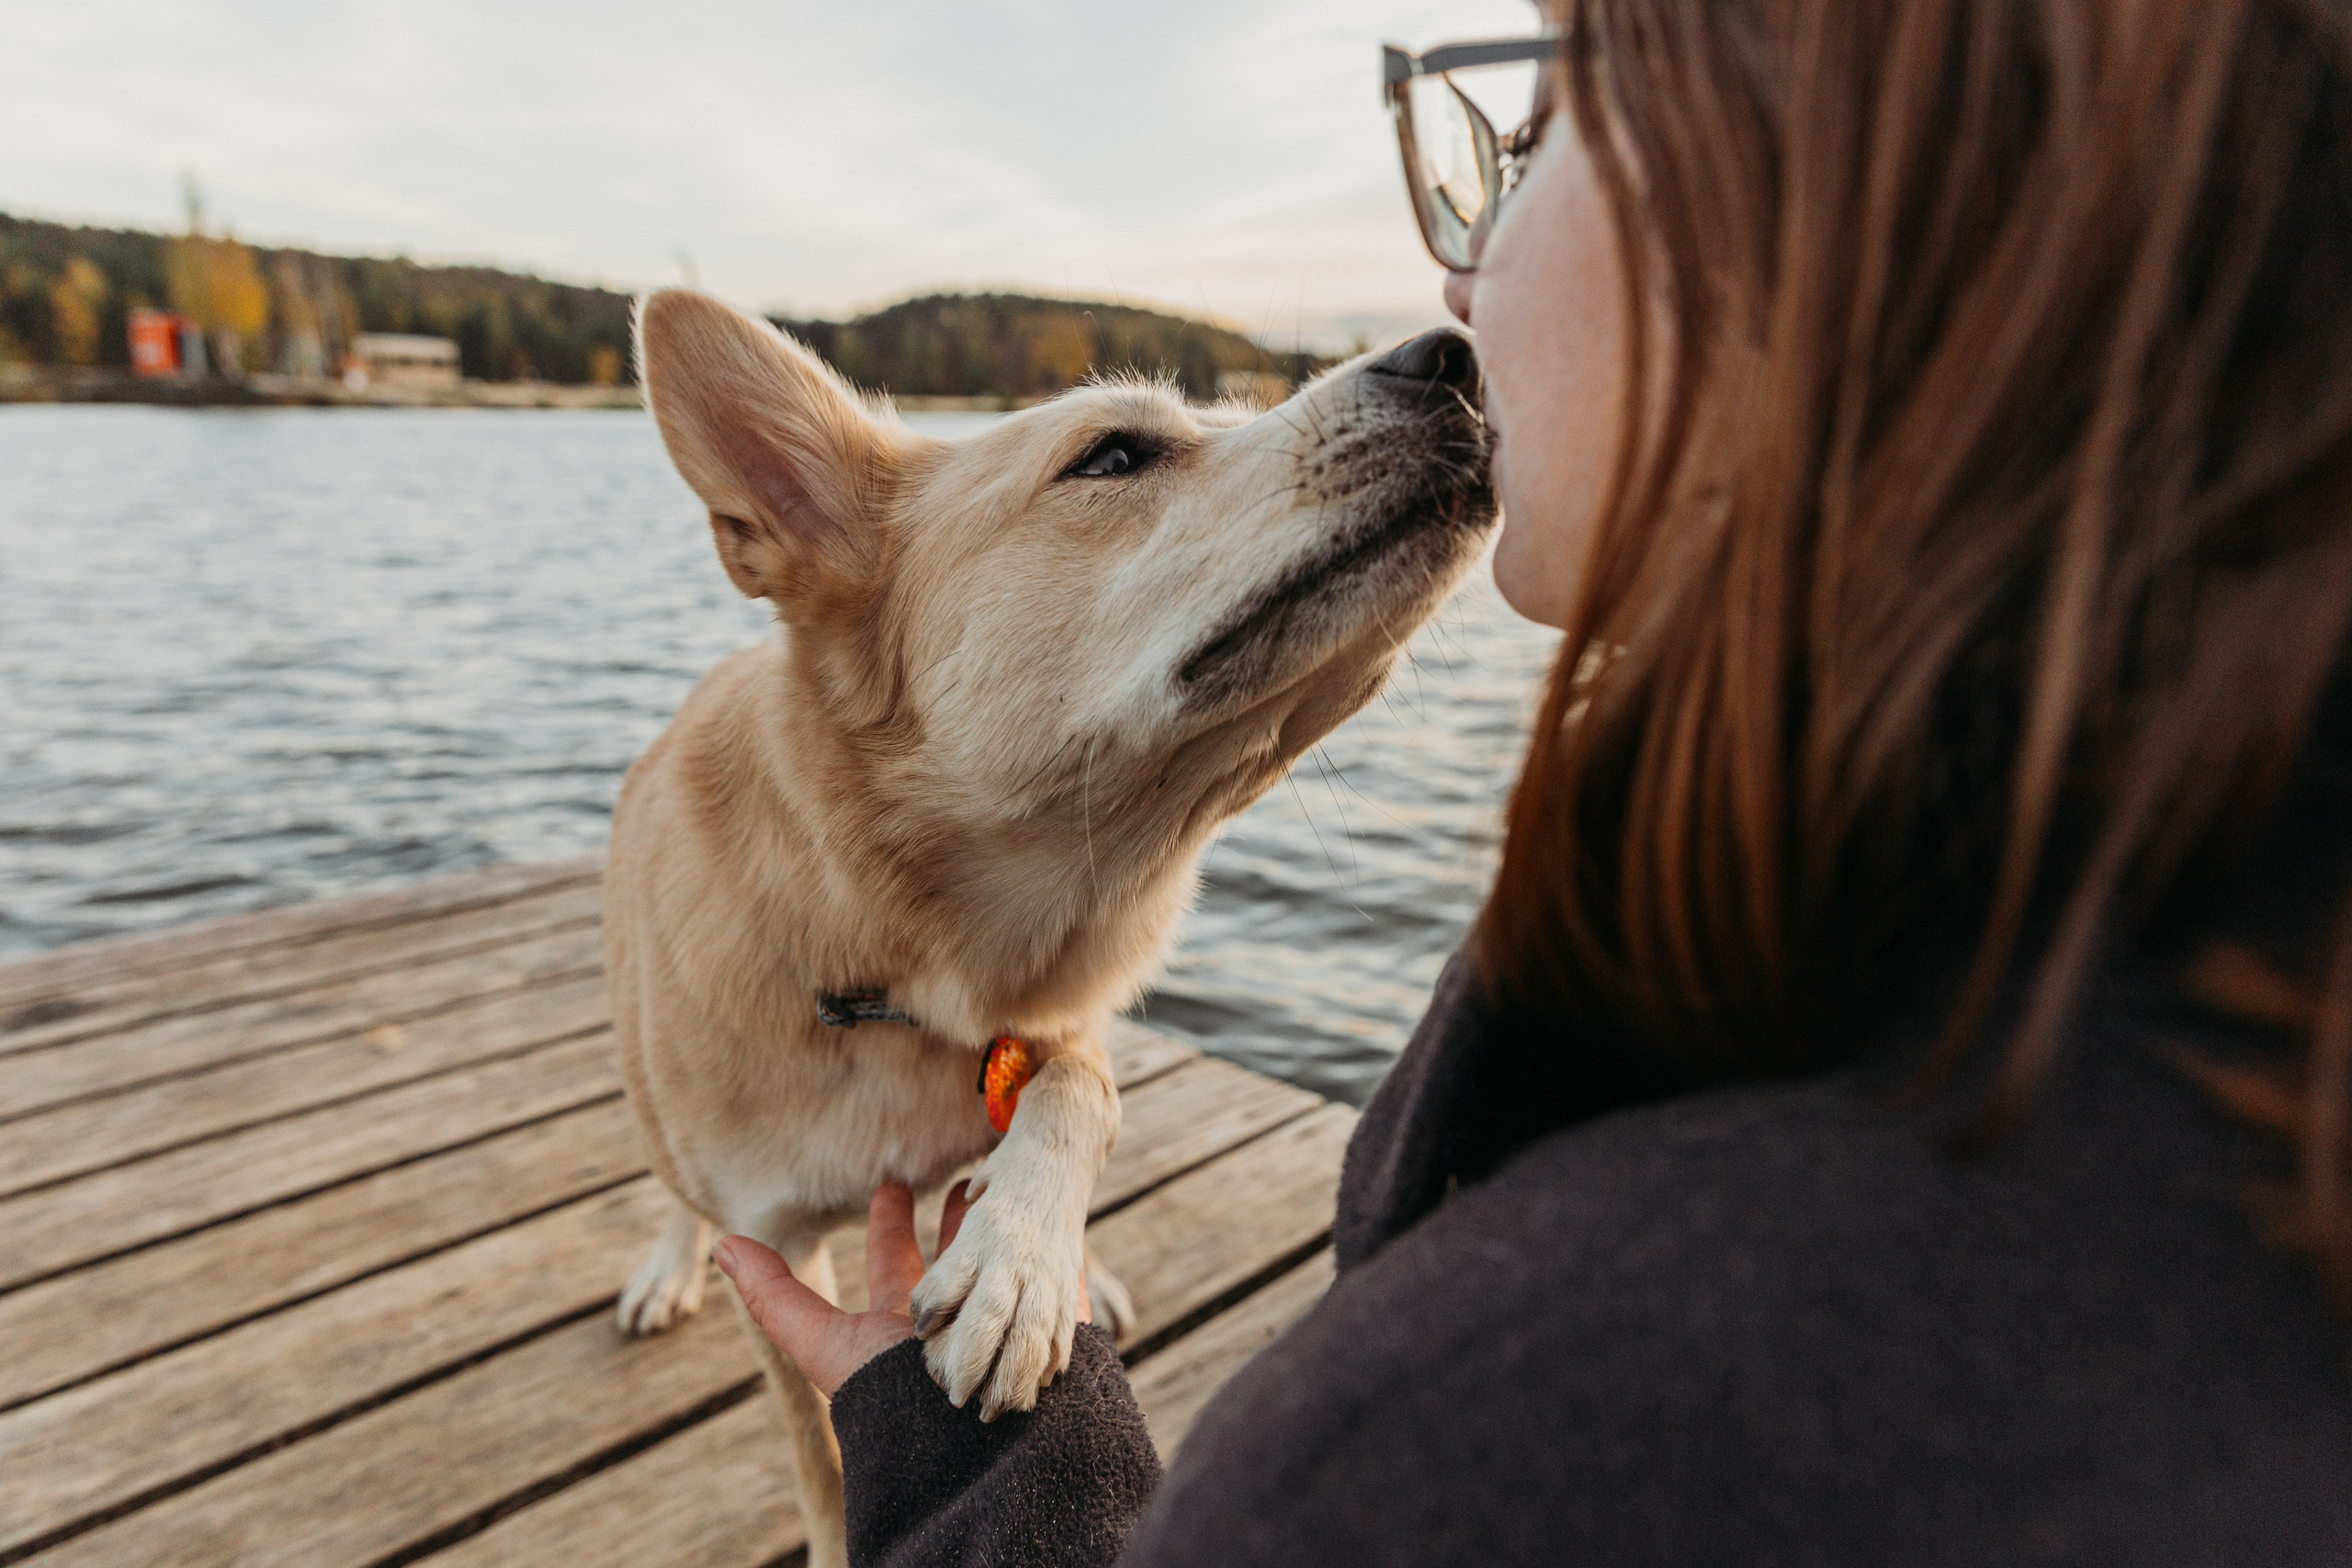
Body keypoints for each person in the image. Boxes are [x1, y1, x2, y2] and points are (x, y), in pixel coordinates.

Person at [714, 1, 2352, 1561]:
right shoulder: (2161, 987)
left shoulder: (1475, 1440)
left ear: (1828, 176)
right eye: (1130, 456)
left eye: (1541, 130)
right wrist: (986, 1456)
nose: (1458, 267)